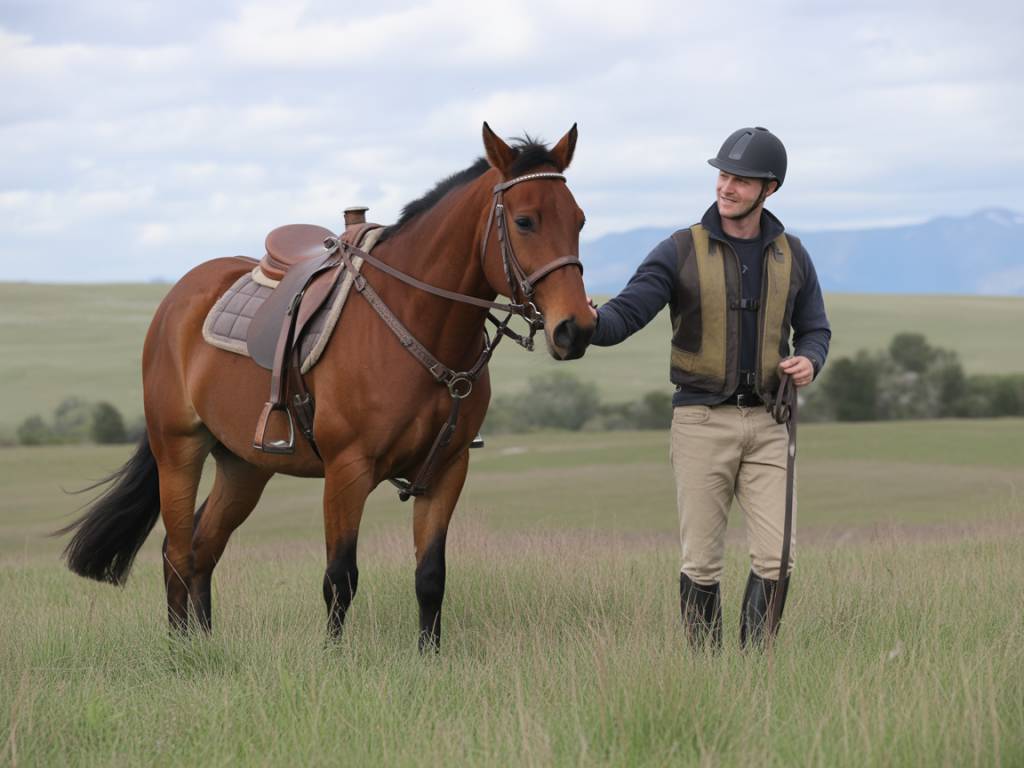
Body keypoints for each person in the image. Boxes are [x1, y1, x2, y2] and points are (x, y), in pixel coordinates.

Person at [588, 127, 831, 649]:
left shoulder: (794, 255)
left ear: (769, 189)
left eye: (741, 180)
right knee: (701, 561)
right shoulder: (678, 250)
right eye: (723, 175)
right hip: (700, 421)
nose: (727, 187)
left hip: (771, 423)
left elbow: (816, 329)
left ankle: (754, 672)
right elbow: (625, 314)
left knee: (778, 558)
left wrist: (811, 360)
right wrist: (590, 323)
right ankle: (706, 674)